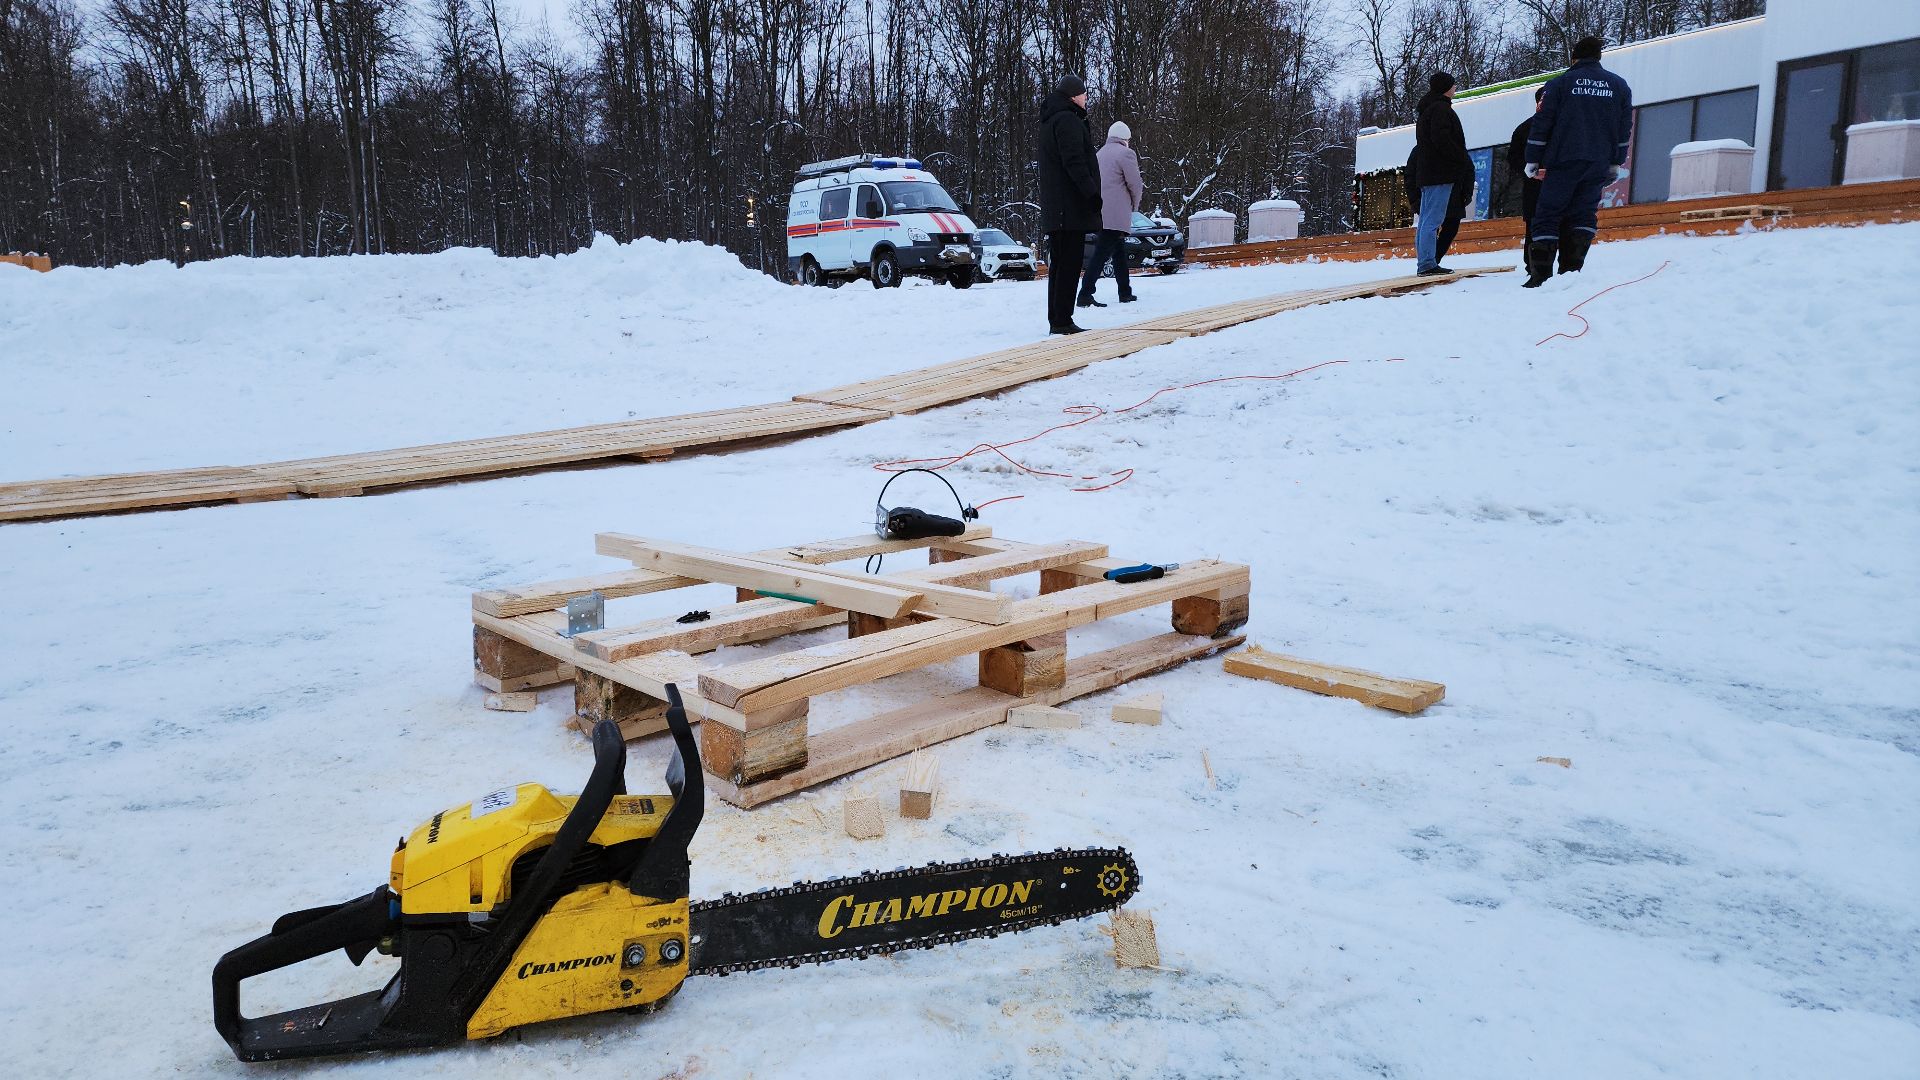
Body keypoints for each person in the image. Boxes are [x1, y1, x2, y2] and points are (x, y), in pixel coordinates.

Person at [1522, 35, 1633, 287]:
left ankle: (1540, 276)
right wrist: (1616, 160)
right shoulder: (1619, 86)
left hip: (1563, 160)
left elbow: (1542, 123)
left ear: (1574, 57)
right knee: (1583, 214)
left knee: (1548, 214)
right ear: (1599, 56)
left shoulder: (1559, 84)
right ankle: (1571, 272)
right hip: (1598, 162)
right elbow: (1624, 127)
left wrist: (1533, 159)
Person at [1036, 75, 1102, 334]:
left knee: (1060, 264)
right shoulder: (1068, 120)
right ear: (1074, 95)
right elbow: (1074, 161)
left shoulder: (1052, 119)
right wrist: (1091, 194)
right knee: (1068, 265)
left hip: (1059, 208)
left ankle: (1058, 319)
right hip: (1069, 208)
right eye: (1084, 94)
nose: (1086, 99)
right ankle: (1062, 320)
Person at [1412, 72, 1473, 276]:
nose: (1455, 87)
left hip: (1430, 173)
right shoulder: (1440, 109)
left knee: (1426, 220)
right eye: (1453, 84)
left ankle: (1425, 262)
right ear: (1446, 87)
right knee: (1433, 220)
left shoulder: (1428, 109)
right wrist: (1459, 157)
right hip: (1439, 173)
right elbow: (1442, 139)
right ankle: (1427, 264)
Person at [1079, 121, 1144, 308]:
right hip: (1116, 214)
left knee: (1118, 252)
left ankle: (1125, 292)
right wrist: (1134, 205)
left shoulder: (1099, 154)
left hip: (1099, 212)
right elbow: (1135, 184)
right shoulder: (1126, 154)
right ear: (1125, 138)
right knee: (1101, 254)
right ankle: (1085, 293)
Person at [1506, 85, 1547, 227]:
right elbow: (1513, 158)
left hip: (1539, 194)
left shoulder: (1524, 128)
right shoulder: (1524, 129)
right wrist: (1532, 172)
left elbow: (1512, 158)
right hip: (1537, 193)